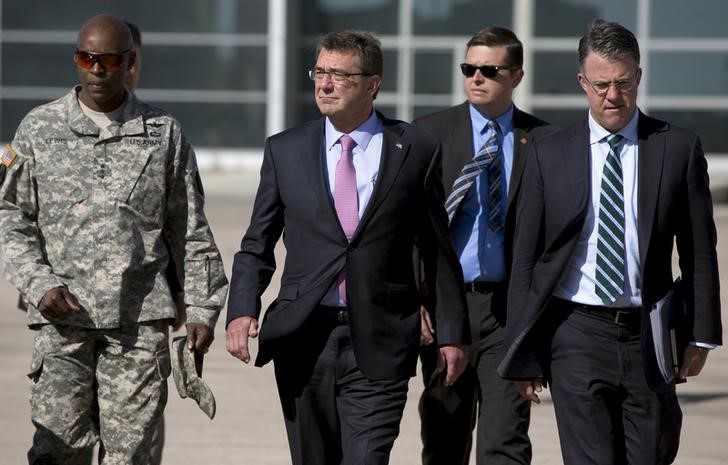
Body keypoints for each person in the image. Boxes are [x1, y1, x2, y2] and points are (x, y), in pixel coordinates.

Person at [226, 30, 470, 465]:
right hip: (305, 338)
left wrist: (451, 334)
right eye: (319, 72)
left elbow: (438, 252)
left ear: (372, 84)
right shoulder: (285, 150)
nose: (324, 84)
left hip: (381, 336)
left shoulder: (415, 149)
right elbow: (256, 243)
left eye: (339, 75)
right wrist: (243, 308)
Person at [0, 14, 228, 464]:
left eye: (107, 60)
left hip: (138, 325)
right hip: (62, 322)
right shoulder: (39, 128)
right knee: (57, 451)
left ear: (130, 63)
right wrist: (37, 282)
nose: (97, 69)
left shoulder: (163, 133)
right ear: (76, 60)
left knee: (132, 454)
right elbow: (11, 217)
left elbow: (190, 229)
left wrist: (202, 307)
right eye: (87, 58)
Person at [498, 19, 722, 465]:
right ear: (583, 82)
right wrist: (521, 353)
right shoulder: (548, 153)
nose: (612, 96)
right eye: (601, 85)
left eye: (622, 83)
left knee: (651, 454)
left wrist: (702, 333)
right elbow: (525, 259)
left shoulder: (676, 147)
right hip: (575, 332)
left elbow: (699, 251)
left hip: (649, 332)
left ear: (638, 77)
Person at [414, 27, 557, 465]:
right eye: (469, 68)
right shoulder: (428, 135)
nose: (477, 78)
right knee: (445, 440)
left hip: (510, 310)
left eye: (489, 70)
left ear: (515, 75)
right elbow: (406, 227)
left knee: (505, 442)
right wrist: (416, 294)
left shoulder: (547, 142)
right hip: (445, 307)